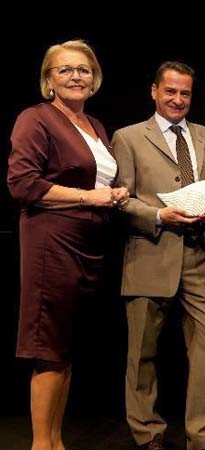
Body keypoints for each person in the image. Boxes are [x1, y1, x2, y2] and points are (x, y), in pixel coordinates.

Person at [7, 39, 129, 450]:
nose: (76, 76)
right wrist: (86, 197)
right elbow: (22, 183)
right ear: (48, 80)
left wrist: (115, 193)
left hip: (88, 244)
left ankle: (56, 442)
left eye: (84, 70)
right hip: (51, 241)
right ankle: (42, 445)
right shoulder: (36, 118)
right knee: (49, 348)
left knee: (65, 347)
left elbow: (97, 181)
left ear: (94, 79)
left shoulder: (94, 125)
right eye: (65, 70)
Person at [111, 61, 205, 450]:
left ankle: (203, 436)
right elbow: (120, 200)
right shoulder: (128, 138)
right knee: (142, 353)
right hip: (150, 254)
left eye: (185, 93)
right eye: (170, 92)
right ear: (154, 91)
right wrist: (158, 214)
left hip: (201, 257)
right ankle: (147, 433)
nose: (178, 99)